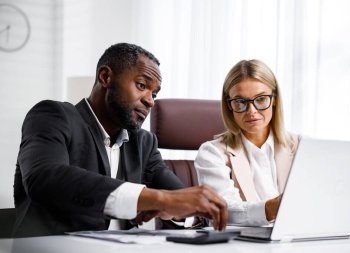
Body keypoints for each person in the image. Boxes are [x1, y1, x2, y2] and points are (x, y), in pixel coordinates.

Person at [13, 42, 227, 237]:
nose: (150, 101)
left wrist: (180, 211)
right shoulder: (53, 115)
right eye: (142, 85)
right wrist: (154, 199)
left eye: (155, 94)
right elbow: (44, 178)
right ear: (105, 77)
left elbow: (181, 197)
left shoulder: (144, 143)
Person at [195, 59, 300, 226]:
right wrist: (271, 208)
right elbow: (223, 210)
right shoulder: (212, 153)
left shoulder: (301, 146)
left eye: (261, 99)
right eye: (240, 102)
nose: (252, 111)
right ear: (229, 105)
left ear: (274, 100)